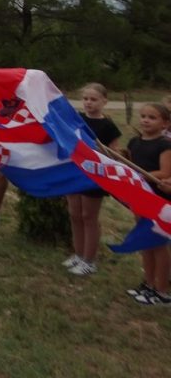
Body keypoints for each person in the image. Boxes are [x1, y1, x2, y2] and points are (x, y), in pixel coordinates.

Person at [63, 83, 121, 276]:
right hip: (74, 171)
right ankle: (78, 254)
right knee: (74, 214)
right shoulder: (78, 120)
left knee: (89, 216)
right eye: (86, 98)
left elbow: (115, 153)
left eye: (93, 99)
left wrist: (101, 154)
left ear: (104, 101)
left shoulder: (108, 126)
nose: (88, 102)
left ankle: (90, 260)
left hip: (94, 175)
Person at [124, 102, 171, 305]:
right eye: (143, 116)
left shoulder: (165, 145)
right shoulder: (134, 142)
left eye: (152, 117)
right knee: (145, 241)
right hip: (139, 197)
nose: (145, 120)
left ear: (165, 123)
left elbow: (165, 172)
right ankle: (149, 284)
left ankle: (162, 291)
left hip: (158, 199)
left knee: (158, 244)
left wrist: (140, 175)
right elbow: (129, 163)